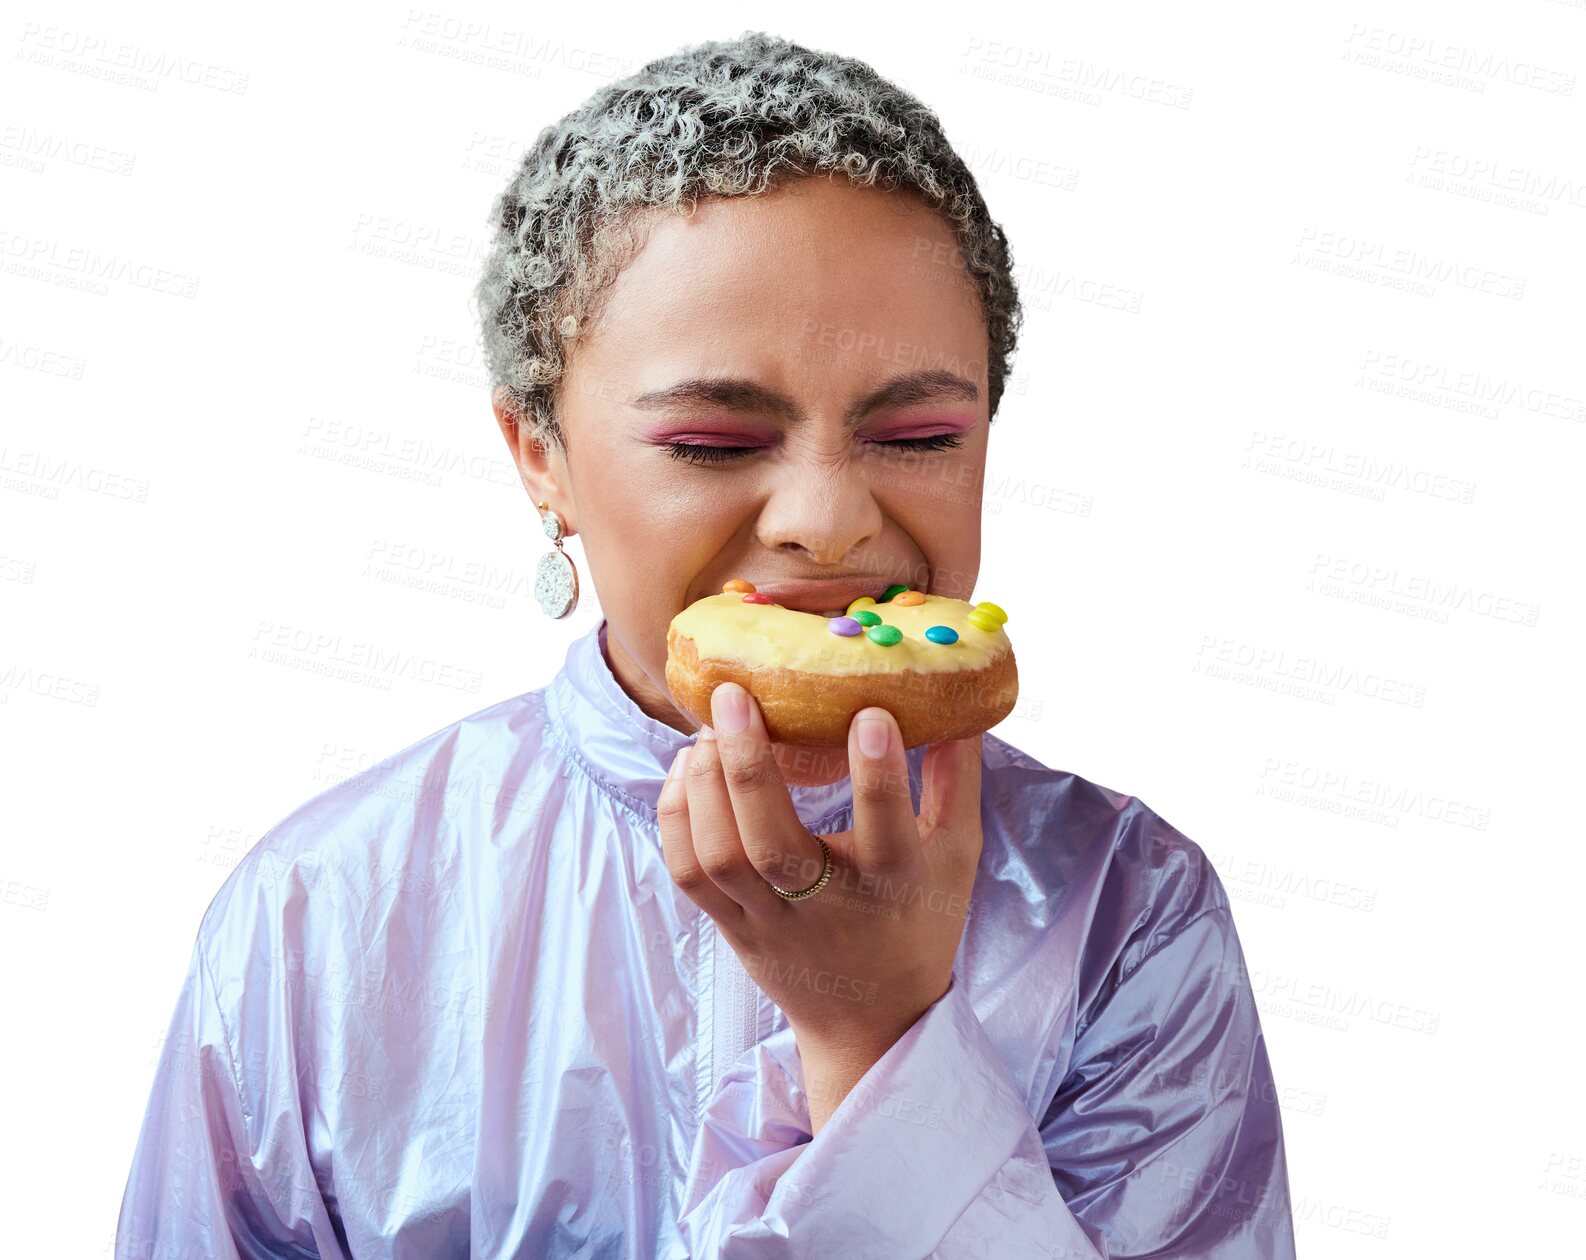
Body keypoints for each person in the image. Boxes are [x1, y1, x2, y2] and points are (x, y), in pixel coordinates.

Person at [116, 30, 1297, 1259]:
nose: (828, 518)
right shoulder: (324, 916)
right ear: (540, 454)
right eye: (716, 445)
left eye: (919, 434)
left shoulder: (1124, 908)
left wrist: (878, 1036)